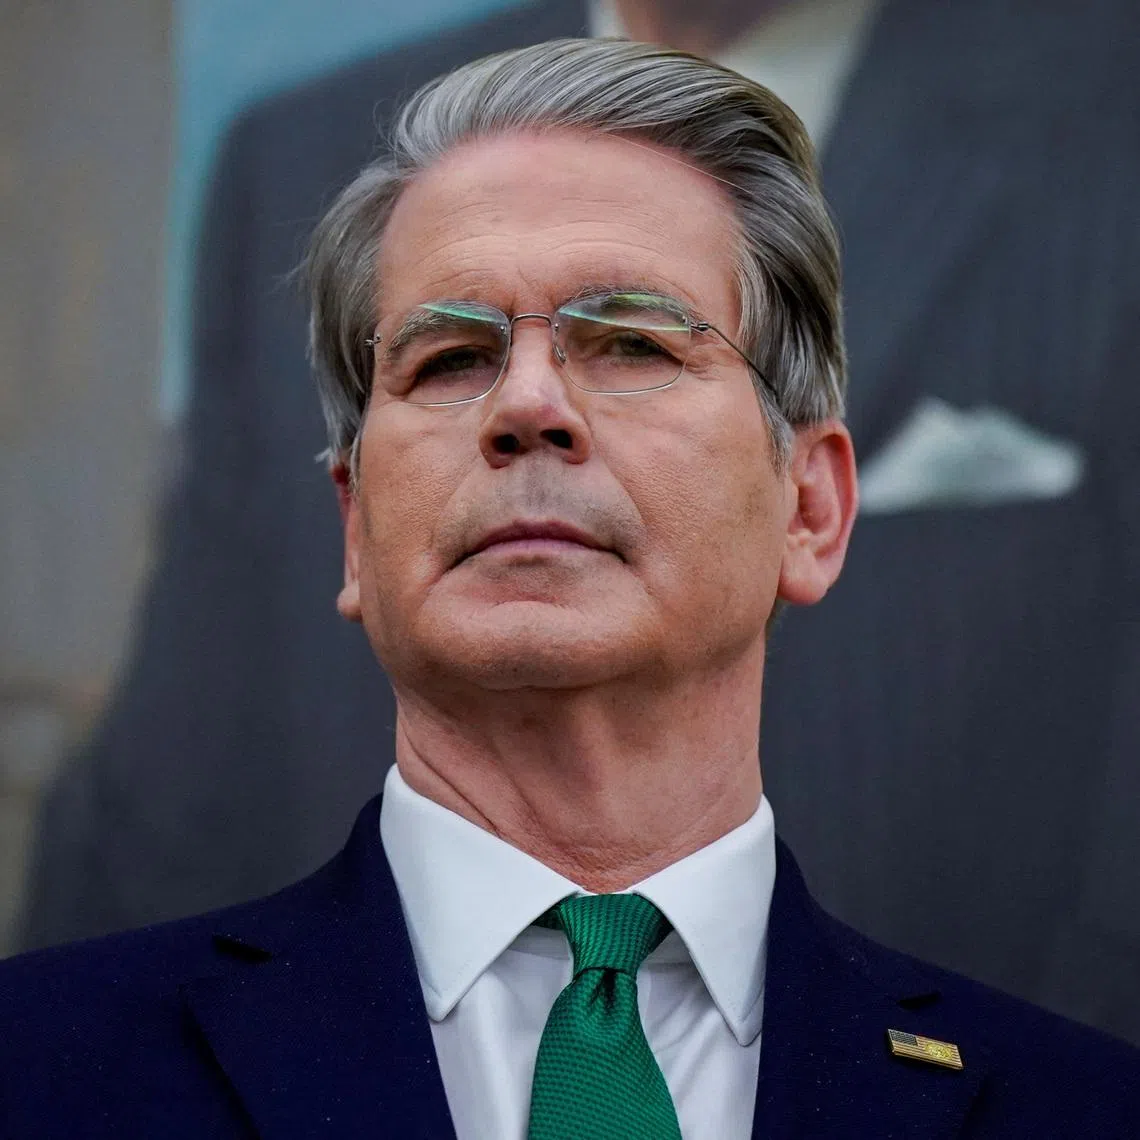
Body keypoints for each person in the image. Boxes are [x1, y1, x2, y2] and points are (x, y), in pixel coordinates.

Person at [2, 40, 1138, 1138]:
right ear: (353, 528)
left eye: (633, 345)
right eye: (448, 359)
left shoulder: (1080, 1110)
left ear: (809, 506)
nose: (526, 404)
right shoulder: (36, 1070)